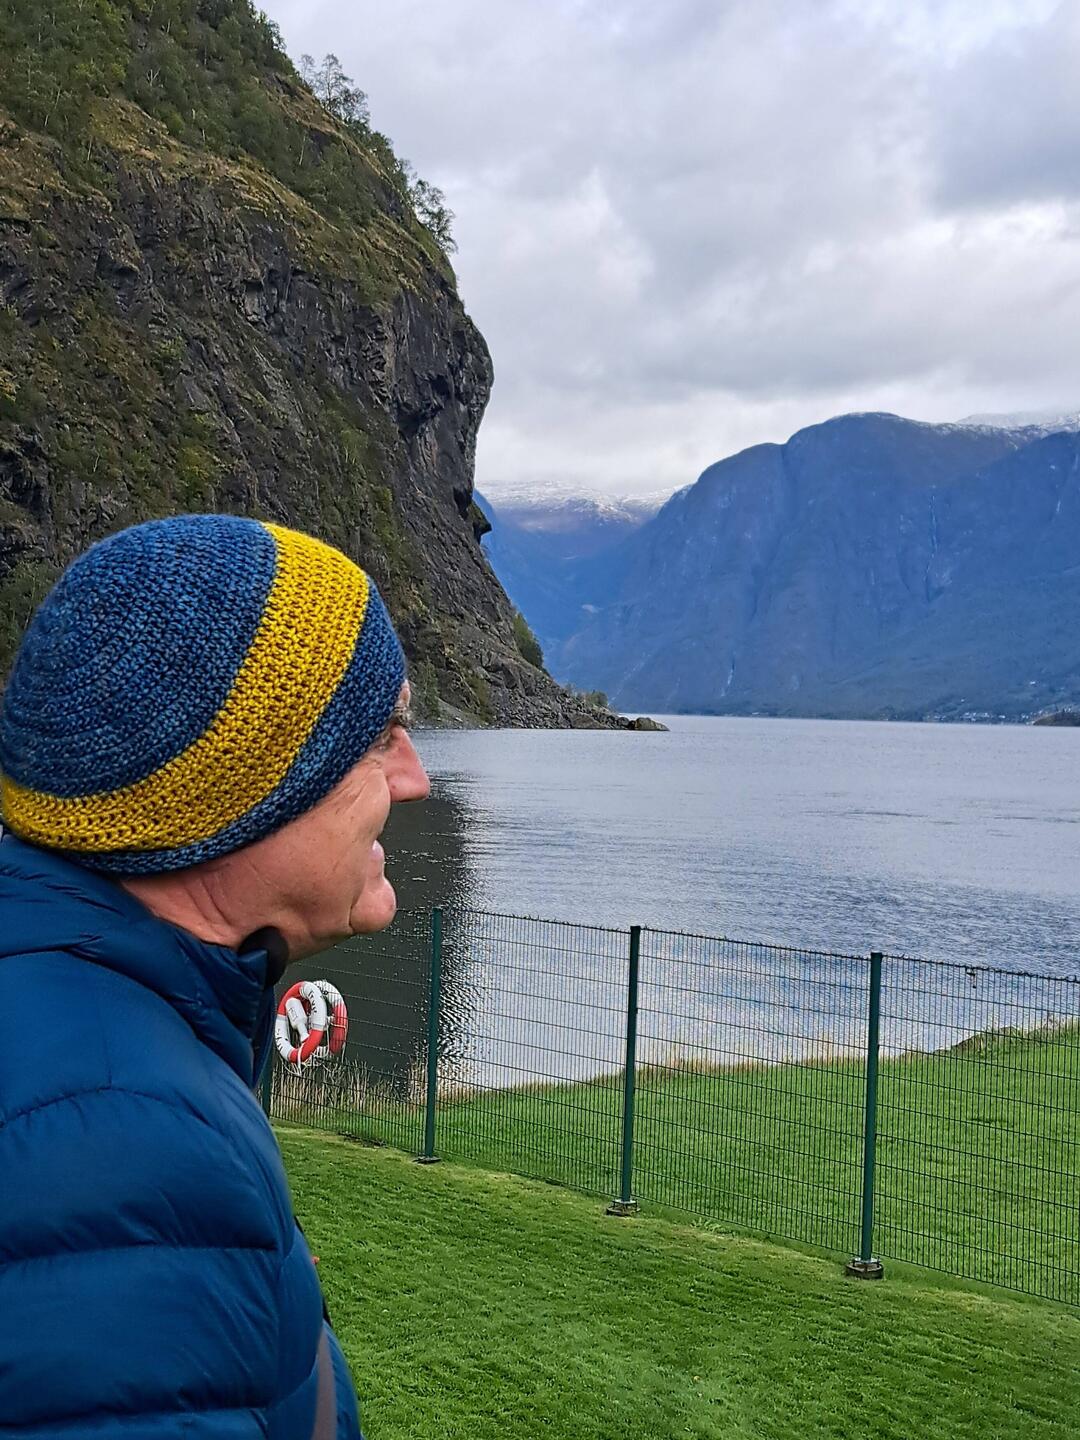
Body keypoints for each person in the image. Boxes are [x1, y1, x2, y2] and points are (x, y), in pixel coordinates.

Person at [0, 514, 430, 1439]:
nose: (415, 778)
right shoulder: (130, 1151)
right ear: (243, 791)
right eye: (381, 735)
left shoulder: (78, 1021)